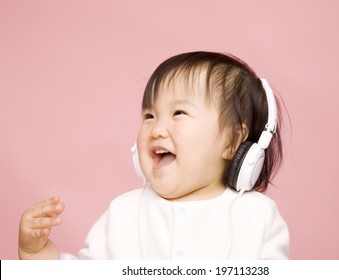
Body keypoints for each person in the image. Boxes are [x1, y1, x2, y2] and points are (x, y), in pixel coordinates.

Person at [18, 51, 289, 260]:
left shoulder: (257, 216)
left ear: (231, 142)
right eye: (149, 115)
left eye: (179, 113)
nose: (157, 128)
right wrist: (37, 254)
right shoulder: (123, 213)